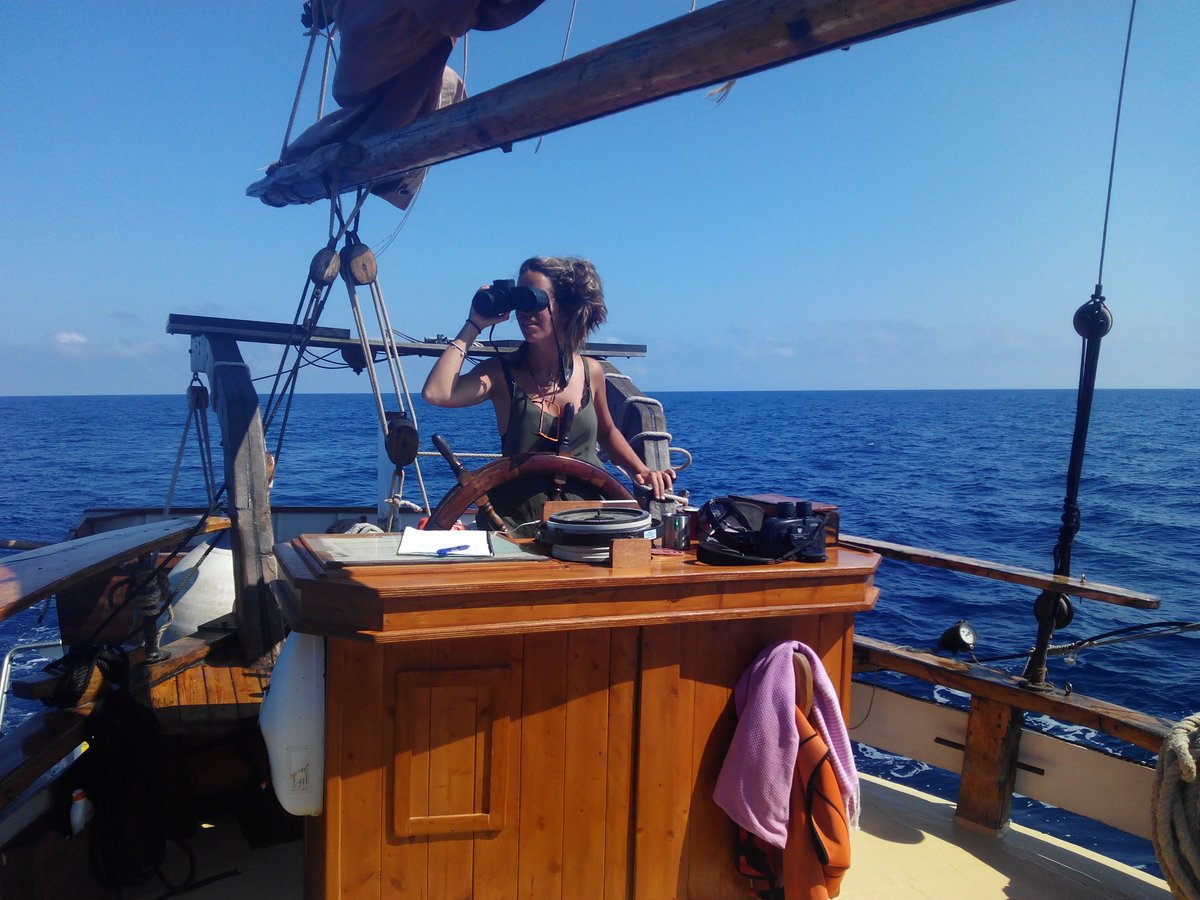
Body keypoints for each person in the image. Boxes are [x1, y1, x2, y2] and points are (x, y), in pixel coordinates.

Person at [422, 256, 675, 532]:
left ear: (565, 308)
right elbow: (437, 393)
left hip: (587, 525)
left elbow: (606, 432)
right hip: (515, 529)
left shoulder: (592, 371)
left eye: (535, 300)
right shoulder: (501, 374)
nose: (525, 313)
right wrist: (473, 324)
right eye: (520, 302)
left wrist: (642, 470)